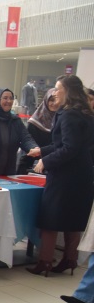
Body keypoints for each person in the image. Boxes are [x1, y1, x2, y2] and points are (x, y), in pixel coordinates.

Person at [26, 75, 94, 277]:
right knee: (74, 218)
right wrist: (42, 151)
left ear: (68, 91)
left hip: (65, 176)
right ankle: (70, 259)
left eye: (57, 88)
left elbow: (69, 148)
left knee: (50, 218)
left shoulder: (68, 115)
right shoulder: (85, 114)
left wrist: (45, 161)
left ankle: (45, 261)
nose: (54, 92)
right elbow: (66, 144)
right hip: (82, 174)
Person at [19, 88, 58, 173]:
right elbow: (28, 146)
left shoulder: (63, 120)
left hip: (56, 165)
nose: (54, 103)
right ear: (46, 101)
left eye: (56, 100)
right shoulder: (35, 122)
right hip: (35, 167)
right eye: (51, 100)